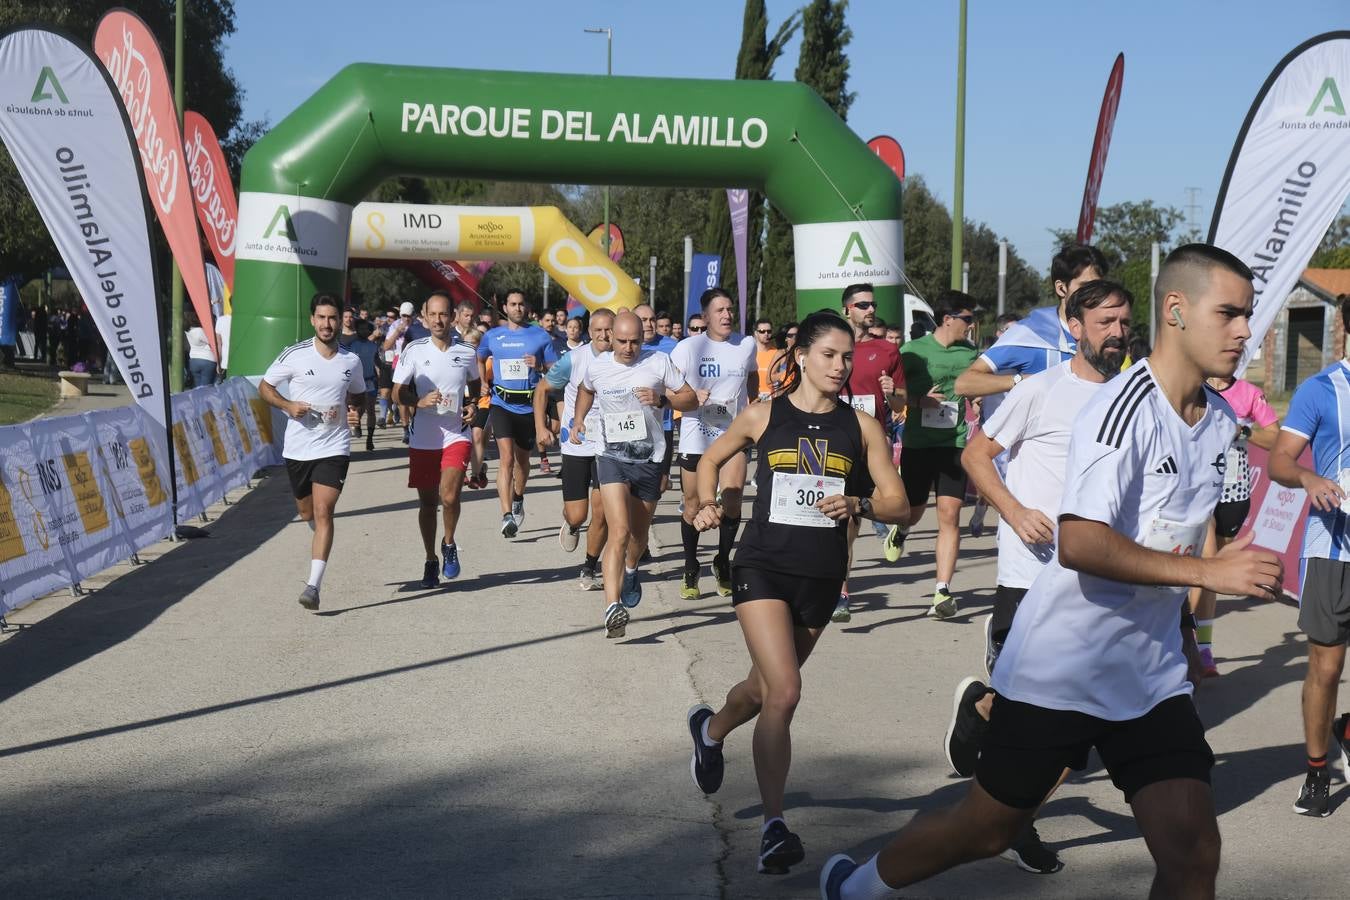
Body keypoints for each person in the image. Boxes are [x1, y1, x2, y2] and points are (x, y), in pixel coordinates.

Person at [821, 243, 1282, 900]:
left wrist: (1185, 631)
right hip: (1064, 667)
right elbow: (1081, 543)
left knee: (1193, 853)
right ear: (1177, 310)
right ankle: (857, 887)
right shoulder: (1121, 408)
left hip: (1149, 676)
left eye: (1249, 314)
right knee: (986, 830)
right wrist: (1211, 572)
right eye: (1229, 313)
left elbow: (1172, 541)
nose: (1244, 331)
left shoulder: (1222, 420)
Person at [686, 311, 910, 876]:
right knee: (785, 692)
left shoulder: (862, 427)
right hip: (761, 566)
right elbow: (710, 459)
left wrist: (859, 503)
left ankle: (710, 731)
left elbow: (899, 504)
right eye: (830, 355)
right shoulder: (764, 415)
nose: (840, 366)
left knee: (763, 689)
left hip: (821, 576)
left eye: (848, 357)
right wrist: (705, 503)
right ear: (803, 355)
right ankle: (774, 828)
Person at [945, 279, 1135, 875]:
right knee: (1033, 710)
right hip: (1031, 568)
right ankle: (986, 713)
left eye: (1124, 322)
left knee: (1074, 713)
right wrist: (1016, 510)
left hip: (1097, 577)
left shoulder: (1135, 396)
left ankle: (1013, 812)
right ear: (1074, 328)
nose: (1118, 333)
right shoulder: (1040, 389)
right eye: (1104, 323)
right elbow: (976, 456)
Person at [1269, 294, 1350, 818]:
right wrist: (1308, 478)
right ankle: (1318, 770)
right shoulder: (1321, 389)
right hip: (1333, 547)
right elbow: (1279, 460)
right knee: (1327, 665)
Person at [571, 311, 696, 637]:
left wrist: (663, 399)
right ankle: (613, 607)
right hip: (611, 456)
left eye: (635, 342)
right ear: (611, 337)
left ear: (643, 338)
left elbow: (691, 399)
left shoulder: (659, 362)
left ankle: (631, 568)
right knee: (620, 531)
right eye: (623, 341)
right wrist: (579, 419)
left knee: (638, 537)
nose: (629, 348)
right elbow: (586, 390)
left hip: (649, 459)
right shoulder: (597, 366)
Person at [259, 293, 366, 611]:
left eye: (332, 317)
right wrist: (288, 405)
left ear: (340, 321)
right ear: (312, 320)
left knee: (323, 511)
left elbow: (359, 396)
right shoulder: (295, 355)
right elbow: (265, 387)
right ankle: (319, 534)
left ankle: (313, 586)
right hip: (299, 448)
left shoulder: (351, 361)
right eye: (321, 317)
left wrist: (355, 412)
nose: (327, 324)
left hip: (334, 446)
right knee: (307, 513)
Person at [885, 292, 979, 618]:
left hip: (954, 443)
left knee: (950, 516)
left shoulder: (971, 353)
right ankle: (902, 530)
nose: (971, 325)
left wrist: (979, 397)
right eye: (967, 319)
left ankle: (942, 591)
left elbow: (976, 386)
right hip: (918, 443)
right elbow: (897, 397)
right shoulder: (912, 352)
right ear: (947, 319)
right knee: (912, 512)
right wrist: (918, 401)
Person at [1188, 374, 1279, 676]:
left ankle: (1203, 646)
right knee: (1208, 559)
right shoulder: (1194, 386)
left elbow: (1275, 437)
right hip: (1200, 491)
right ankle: (1185, 640)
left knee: (1213, 573)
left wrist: (1244, 430)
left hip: (1234, 492)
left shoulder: (1249, 393)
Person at [673, 288, 758, 599]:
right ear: (705, 317)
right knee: (694, 504)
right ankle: (690, 565)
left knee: (732, 498)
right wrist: (690, 396)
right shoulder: (688, 347)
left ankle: (723, 560)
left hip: (733, 434)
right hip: (696, 433)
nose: (727, 315)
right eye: (720, 310)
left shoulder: (746, 345)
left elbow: (752, 376)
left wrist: (750, 403)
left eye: (730, 309)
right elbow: (669, 389)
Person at [393, 293, 481, 589]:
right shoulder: (414, 350)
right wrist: (418, 401)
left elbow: (476, 385)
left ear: (452, 317)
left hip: (456, 434)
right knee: (428, 504)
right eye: (433, 314)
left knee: (450, 496)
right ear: (424, 317)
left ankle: (449, 543)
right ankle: (431, 558)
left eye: (443, 314)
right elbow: (398, 392)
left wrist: (473, 405)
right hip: (424, 438)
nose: (438, 320)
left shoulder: (466, 351)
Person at [835, 283, 905, 623]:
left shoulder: (887, 351)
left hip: (871, 445)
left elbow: (900, 403)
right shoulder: (832, 346)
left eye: (872, 304)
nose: (870, 309)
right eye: (862, 305)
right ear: (847, 309)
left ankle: (894, 529)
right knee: (842, 522)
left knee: (858, 516)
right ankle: (840, 590)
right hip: (836, 440)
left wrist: (892, 393)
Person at [537, 309, 614, 589]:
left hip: (608, 445)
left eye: (609, 330)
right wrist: (541, 428)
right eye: (598, 330)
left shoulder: (624, 360)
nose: (604, 335)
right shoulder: (574, 359)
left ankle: (589, 567)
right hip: (576, 443)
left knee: (602, 511)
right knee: (578, 514)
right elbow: (542, 389)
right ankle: (571, 524)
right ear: (589, 332)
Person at [478, 289, 558, 537]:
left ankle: (518, 498)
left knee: (523, 461)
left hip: (529, 406)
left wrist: (540, 365)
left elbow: (556, 370)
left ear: (527, 307)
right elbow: (479, 357)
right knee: (506, 460)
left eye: (521, 304)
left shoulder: (540, 335)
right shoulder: (493, 335)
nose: (517, 308)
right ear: (505, 307)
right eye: (512, 304)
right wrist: (482, 382)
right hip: (501, 404)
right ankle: (506, 516)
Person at [347, 320, 379, 451]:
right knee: (358, 408)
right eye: (361, 329)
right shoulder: (352, 345)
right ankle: (357, 424)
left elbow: (376, 361)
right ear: (357, 330)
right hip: (356, 381)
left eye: (367, 329)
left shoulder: (373, 346)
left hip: (370, 381)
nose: (364, 331)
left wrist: (382, 371)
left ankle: (370, 439)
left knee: (371, 409)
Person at [184, 308, 219, 387]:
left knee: (198, 387)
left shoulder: (187, 332)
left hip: (193, 360)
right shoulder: (199, 330)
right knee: (206, 388)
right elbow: (211, 341)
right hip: (207, 360)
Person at [753, 317, 778, 403]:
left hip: (773, 400)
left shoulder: (777, 353)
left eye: (769, 331)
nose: (766, 334)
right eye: (762, 331)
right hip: (754, 399)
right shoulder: (750, 354)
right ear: (756, 333)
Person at [215, 310, 232, 378]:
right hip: (243, 361)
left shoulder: (221, 320)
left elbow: (219, 344)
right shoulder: (245, 320)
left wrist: (218, 363)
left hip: (226, 361)